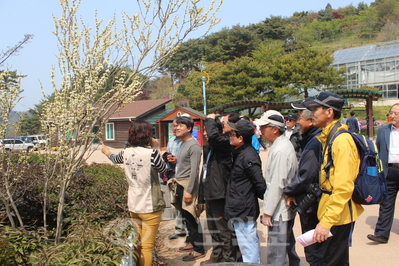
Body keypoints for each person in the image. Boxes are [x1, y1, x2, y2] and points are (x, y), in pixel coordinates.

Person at [303, 92, 363, 266]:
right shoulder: (329, 137)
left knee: (327, 261)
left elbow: (344, 187)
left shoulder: (341, 141)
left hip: (337, 215)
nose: (311, 113)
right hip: (333, 212)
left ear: (329, 112)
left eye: (316, 109)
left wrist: (326, 223)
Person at [101, 120, 167, 266]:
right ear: (148, 135)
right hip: (150, 204)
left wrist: (106, 152)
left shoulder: (126, 152)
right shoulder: (151, 154)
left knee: (137, 243)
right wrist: (156, 148)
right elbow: (163, 169)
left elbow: (113, 158)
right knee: (147, 246)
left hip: (133, 203)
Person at [255, 110, 300, 266]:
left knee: (276, 253)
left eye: (264, 127)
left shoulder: (280, 150)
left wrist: (267, 212)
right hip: (283, 208)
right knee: (286, 247)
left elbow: (277, 184)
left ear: (274, 128)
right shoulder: (281, 144)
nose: (260, 130)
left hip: (278, 210)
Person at [284, 98, 322, 265]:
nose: (297, 121)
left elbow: (306, 176)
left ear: (311, 120)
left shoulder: (315, 142)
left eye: (300, 117)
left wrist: (288, 191)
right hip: (312, 199)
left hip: (313, 202)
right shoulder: (310, 139)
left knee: (315, 249)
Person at [224, 119, 266, 264]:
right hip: (239, 205)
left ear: (241, 138)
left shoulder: (248, 156)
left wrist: (250, 196)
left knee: (248, 244)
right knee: (245, 244)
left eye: (232, 133)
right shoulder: (239, 153)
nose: (230, 135)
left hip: (244, 207)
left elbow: (260, 183)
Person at [199, 114, 236, 265]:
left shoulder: (225, 143)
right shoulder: (210, 147)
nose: (205, 133)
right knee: (212, 226)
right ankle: (217, 255)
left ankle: (228, 260)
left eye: (208, 130)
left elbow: (214, 137)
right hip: (211, 192)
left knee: (223, 229)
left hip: (220, 193)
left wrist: (209, 119)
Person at [167, 115, 204, 261]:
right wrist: (176, 161)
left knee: (191, 217)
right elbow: (185, 164)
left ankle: (199, 249)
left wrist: (189, 191)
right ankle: (191, 241)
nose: (176, 128)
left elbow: (195, 170)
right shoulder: (183, 143)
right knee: (185, 217)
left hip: (187, 185)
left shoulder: (193, 146)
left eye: (180, 125)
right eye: (175, 125)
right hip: (180, 183)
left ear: (189, 128)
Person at [367, 103, 399, 244]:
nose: (391, 116)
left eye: (395, 113)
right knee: (386, 203)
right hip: (389, 171)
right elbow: (379, 151)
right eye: (391, 113)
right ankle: (381, 234)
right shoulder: (383, 131)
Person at [164, 119, 187, 240]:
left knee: (187, 204)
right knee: (176, 202)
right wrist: (168, 157)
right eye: (173, 126)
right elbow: (168, 153)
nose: (174, 128)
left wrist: (178, 160)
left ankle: (190, 230)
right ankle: (179, 229)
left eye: (177, 126)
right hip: (172, 174)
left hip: (184, 176)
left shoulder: (187, 142)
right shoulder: (171, 140)